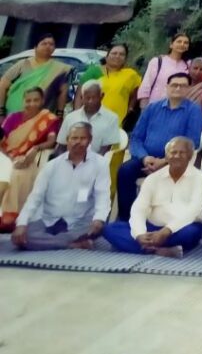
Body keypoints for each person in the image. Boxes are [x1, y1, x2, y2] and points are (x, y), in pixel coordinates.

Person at [115, 72, 202, 220]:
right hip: (146, 159)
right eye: (174, 85)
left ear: (188, 89)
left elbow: (192, 142)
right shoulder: (152, 108)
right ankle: (127, 219)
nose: (178, 88)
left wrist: (164, 161)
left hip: (174, 162)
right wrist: (144, 158)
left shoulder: (193, 111)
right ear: (167, 87)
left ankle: (162, 220)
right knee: (125, 171)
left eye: (183, 86)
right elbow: (136, 138)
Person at [11, 123, 110, 250]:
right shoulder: (52, 165)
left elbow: (103, 195)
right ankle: (71, 244)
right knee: (21, 237)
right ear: (67, 140)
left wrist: (99, 219)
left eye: (83, 138)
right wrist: (21, 223)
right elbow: (35, 197)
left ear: (90, 140)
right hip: (49, 220)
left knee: (99, 228)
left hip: (80, 223)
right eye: (74, 138)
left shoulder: (100, 164)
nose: (78, 142)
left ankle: (51, 242)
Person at [104, 136, 202, 257]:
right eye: (173, 152)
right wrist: (139, 234)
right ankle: (160, 250)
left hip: (180, 229)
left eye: (182, 153)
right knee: (109, 229)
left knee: (191, 233)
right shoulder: (153, 178)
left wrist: (166, 231)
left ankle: (140, 247)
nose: (177, 156)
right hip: (152, 227)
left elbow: (193, 211)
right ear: (166, 156)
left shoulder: (200, 177)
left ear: (190, 155)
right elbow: (139, 209)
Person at [0, 87, 60, 229]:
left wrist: (36, 148)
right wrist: (8, 157)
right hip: (8, 156)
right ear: (23, 101)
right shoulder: (13, 117)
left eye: (36, 100)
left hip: (31, 160)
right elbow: (2, 139)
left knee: (16, 174)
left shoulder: (48, 119)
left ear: (42, 101)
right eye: (28, 100)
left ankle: (12, 216)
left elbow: (52, 140)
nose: (31, 104)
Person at [0, 32, 72, 118]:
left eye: (51, 44)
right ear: (35, 47)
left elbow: (63, 93)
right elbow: (2, 85)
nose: (48, 46)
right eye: (44, 43)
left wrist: (59, 115)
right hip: (13, 114)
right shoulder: (23, 64)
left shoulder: (60, 69)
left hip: (41, 117)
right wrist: (1, 111)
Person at [79, 43, 141, 126]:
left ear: (125, 59)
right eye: (114, 53)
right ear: (107, 56)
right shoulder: (94, 72)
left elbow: (136, 92)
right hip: (92, 119)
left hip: (116, 122)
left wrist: (130, 108)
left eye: (122, 54)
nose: (117, 56)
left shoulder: (130, 75)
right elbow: (80, 95)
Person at [56, 80, 119, 155]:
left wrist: (89, 161)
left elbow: (107, 149)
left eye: (94, 98)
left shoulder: (111, 118)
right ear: (81, 98)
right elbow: (61, 146)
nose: (90, 101)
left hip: (98, 160)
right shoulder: (70, 118)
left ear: (101, 96)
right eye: (87, 98)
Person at [137, 33, 190, 108]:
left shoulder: (187, 66)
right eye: (179, 41)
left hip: (176, 108)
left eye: (186, 43)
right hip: (154, 106)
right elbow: (146, 85)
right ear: (171, 45)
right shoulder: (158, 61)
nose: (182, 44)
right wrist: (144, 108)